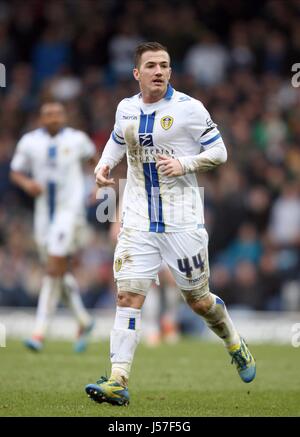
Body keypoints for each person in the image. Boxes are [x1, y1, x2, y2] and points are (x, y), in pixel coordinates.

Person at [85, 42, 256, 406]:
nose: (159, 71)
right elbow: (118, 140)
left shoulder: (189, 109)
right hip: (138, 219)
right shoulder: (126, 108)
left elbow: (220, 151)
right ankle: (117, 378)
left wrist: (185, 165)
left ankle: (233, 341)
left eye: (164, 65)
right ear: (137, 73)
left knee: (198, 301)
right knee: (128, 295)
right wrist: (103, 165)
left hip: (182, 221)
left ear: (170, 71)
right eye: (151, 66)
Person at [10, 101, 96, 352]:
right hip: (43, 213)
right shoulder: (29, 142)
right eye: (48, 114)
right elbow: (15, 171)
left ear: (64, 115)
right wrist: (27, 184)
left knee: (54, 264)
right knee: (56, 268)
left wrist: (98, 185)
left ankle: (39, 331)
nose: (54, 118)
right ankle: (84, 320)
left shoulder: (77, 139)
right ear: (41, 118)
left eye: (58, 113)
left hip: (69, 211)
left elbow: (95, 160)